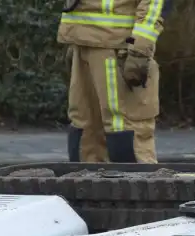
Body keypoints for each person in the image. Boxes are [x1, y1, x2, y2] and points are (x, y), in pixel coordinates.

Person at [58, 0, 172, 163]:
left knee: (122, 127)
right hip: (85, 42)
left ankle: (135, 186)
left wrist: (139, 47)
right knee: (87, 128)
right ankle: (93, 185)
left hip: (117, 48)